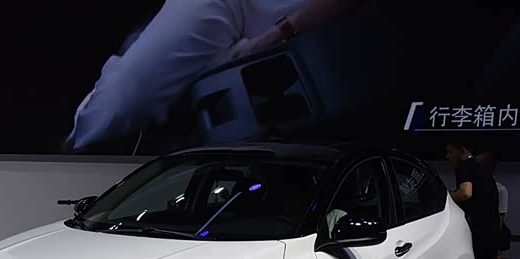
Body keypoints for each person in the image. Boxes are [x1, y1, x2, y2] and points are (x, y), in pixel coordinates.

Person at [63, 0, 360, 153]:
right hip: (227, 4)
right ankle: (76, 152)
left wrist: (276, 34)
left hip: (296, 19)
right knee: (129, 92)